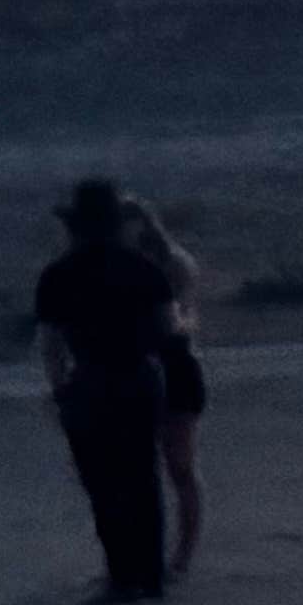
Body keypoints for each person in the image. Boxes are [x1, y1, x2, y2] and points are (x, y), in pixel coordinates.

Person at [29, 177, 182, 602]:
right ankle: (150, 574)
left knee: (102, 481)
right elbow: (169, 329)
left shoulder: (58, 276)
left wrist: (60, 391)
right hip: (138, 376)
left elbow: (51, 346)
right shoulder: (143, 269)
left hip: (91, 380)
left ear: (75, 227)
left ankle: (121, 573)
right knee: (143, 476)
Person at [130, 196, 209, 581]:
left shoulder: (174, 264)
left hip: (174, 367)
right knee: (140, 470)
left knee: (180, 466)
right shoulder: (117, 269)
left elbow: (186, 319)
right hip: (138, 367)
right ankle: (147, 554)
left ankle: (182, 554)